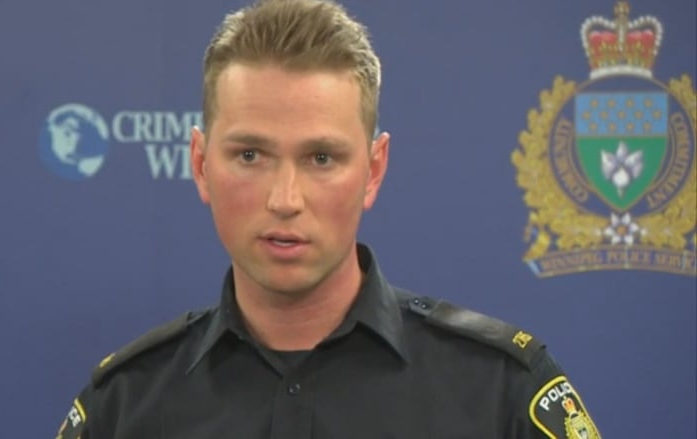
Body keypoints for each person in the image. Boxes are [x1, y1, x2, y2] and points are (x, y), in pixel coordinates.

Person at [55, 0, 602, 437]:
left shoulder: (501, 392)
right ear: (200, 164)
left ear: (373, 169)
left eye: (321, 158)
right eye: (250, 155)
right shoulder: (123, 407)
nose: (285, 199)